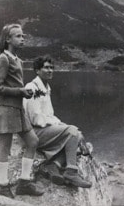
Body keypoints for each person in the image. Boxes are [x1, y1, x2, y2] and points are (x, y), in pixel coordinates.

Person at [0, 24, 44, 198]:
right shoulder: (2, 59)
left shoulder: (17, 60)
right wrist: (20, 91)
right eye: (18, 36)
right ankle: (2, 186)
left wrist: (24, 93)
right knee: (4, 147)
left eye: (23, 36)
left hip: (17, 110)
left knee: (33, 141)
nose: (22, 39)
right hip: (5, 110)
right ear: (8, 39)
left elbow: (12, 85)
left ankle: (24, 183)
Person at [23, 56, 92, 188]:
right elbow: (36, 118)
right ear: (37, 70)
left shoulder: (46, 88)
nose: (50, 70)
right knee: (72, 133)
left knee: (76, 135)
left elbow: (49, 115)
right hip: (34, 133)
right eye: (46, 67)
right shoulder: (32, 87)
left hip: (43, 130)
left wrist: (63, 126)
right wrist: (64, 128)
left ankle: (53, 166)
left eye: (51, 68)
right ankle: (71, 172)